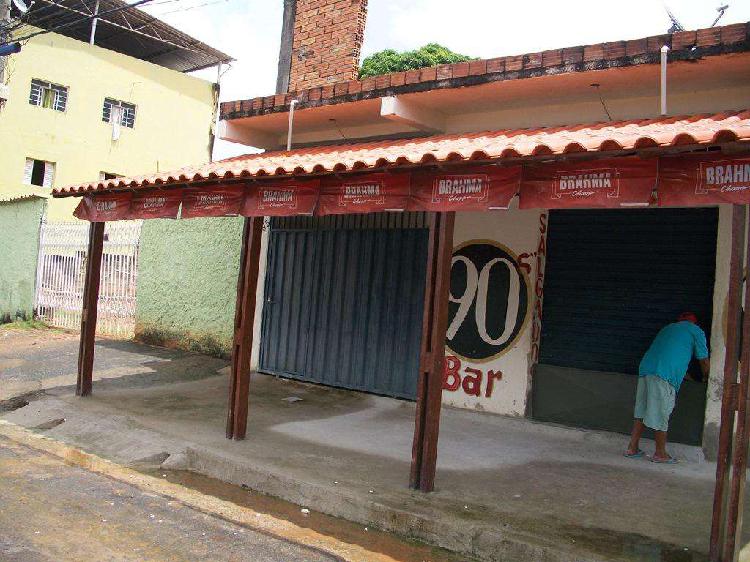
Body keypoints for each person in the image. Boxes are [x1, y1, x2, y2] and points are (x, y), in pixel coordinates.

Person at [625, 312, 709, 464]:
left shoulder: (668, 328)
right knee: (662, 412)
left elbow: (669, 357)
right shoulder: (696, 331)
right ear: (694, 323)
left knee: (642, 410)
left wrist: (686, 376)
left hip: (646, 368)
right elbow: (703, 360)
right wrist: (706, 377)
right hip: (663, 375)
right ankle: (660, 453)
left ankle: (632, 448)